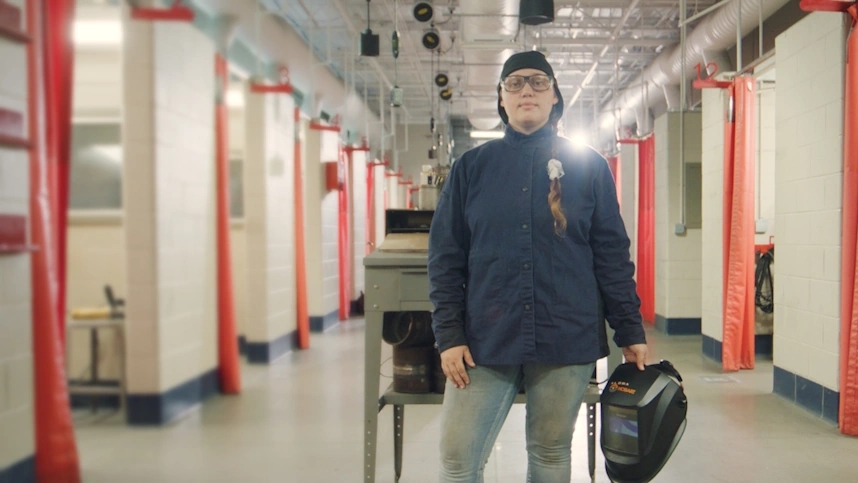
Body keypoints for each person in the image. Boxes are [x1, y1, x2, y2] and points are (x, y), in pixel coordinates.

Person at [427, 50, 649, 483]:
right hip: (484, 339)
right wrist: (449, 335)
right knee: (457, 460)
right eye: (514, 83)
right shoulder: (471, 168)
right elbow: (445, 257)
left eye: (538, 82)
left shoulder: (590, 168)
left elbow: (611, 256)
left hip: (566, 334)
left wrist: (630, 330)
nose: (526, 90)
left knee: (550, 453)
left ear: (554, 98)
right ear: (502, 99)